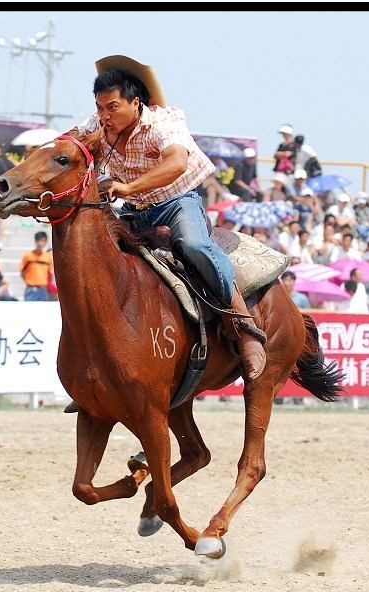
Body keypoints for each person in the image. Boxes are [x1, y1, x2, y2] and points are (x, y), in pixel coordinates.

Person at [73, 56, 266, 378]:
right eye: (100, 107)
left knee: (193, 246)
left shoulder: (165, 121)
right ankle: (95, 366)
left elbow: (176, 163)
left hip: (176, 201)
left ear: (136, 103)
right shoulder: (97, 125)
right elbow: (71, 143)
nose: (105, 115)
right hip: (133, 208)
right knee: (94, 258)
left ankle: (244, 326)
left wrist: (129, 186)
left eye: (113, 107)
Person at [19, 231, 54, 302]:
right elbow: (22, 271)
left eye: (42, 241)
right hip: (31, 289)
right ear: (35, 241)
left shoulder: (48, 257)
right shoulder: (28, 256)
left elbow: (50, 273)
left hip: (43, 289)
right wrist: (28, 282)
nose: (40, 243)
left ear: (45, 242)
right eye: (38, 240)